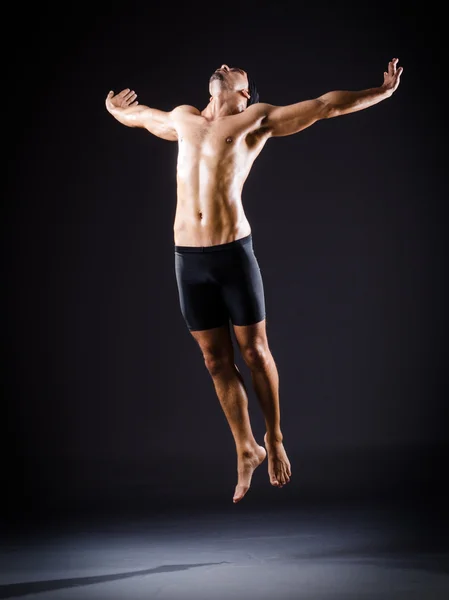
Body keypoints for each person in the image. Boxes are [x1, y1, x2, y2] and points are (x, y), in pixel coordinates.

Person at [105, 59, 403, 503]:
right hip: (188, 259)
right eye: (224, 65)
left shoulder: (255, 120)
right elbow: (141, 116)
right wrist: (114, 109)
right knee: (214, 361)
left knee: (255, 351)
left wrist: (382, 91)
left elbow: (324, 106)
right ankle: (246, 448)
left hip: (231, 255)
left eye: (236, 69)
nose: (224, 66)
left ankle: (276, 437)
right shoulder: (183, 118)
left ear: (245, 92)